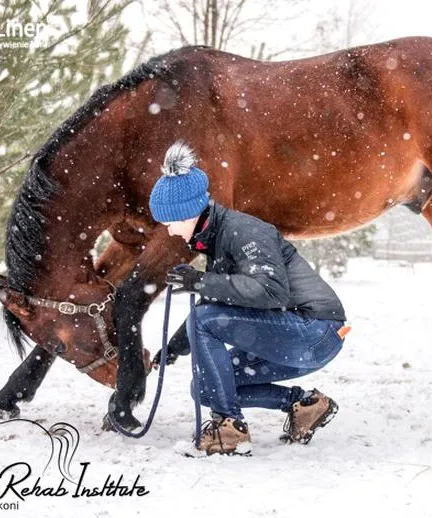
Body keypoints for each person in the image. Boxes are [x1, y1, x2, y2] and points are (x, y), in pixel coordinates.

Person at [149, 140, 350, 456]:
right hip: (294, 336)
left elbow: (269, 290)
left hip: (316, 330)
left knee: (206, 323)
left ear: (188, 212)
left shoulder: (242, 231)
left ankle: (229, 429)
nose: (171, 232)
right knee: (206, 386)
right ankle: (303, 405)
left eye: (170, 223)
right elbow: (216, 305)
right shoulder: (216, 239)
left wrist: (202, 281)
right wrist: (173, 349)